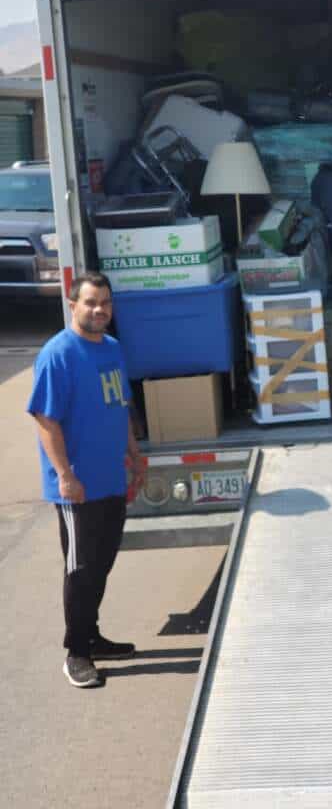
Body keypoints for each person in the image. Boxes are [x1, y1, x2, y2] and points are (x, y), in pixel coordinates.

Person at [28, 272, 145, 687]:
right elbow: (46, 419)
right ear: (72, 303)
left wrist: (134, 451)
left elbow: (120, 404)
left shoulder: (112, 349)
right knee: (80, 569)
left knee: (101, 565)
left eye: (106, 303)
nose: (100, 310)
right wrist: (65, 475)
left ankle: (91, 636)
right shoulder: (58, 354)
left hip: (111, 477)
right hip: (77, 487)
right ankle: (76, 652)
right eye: (91, 302)